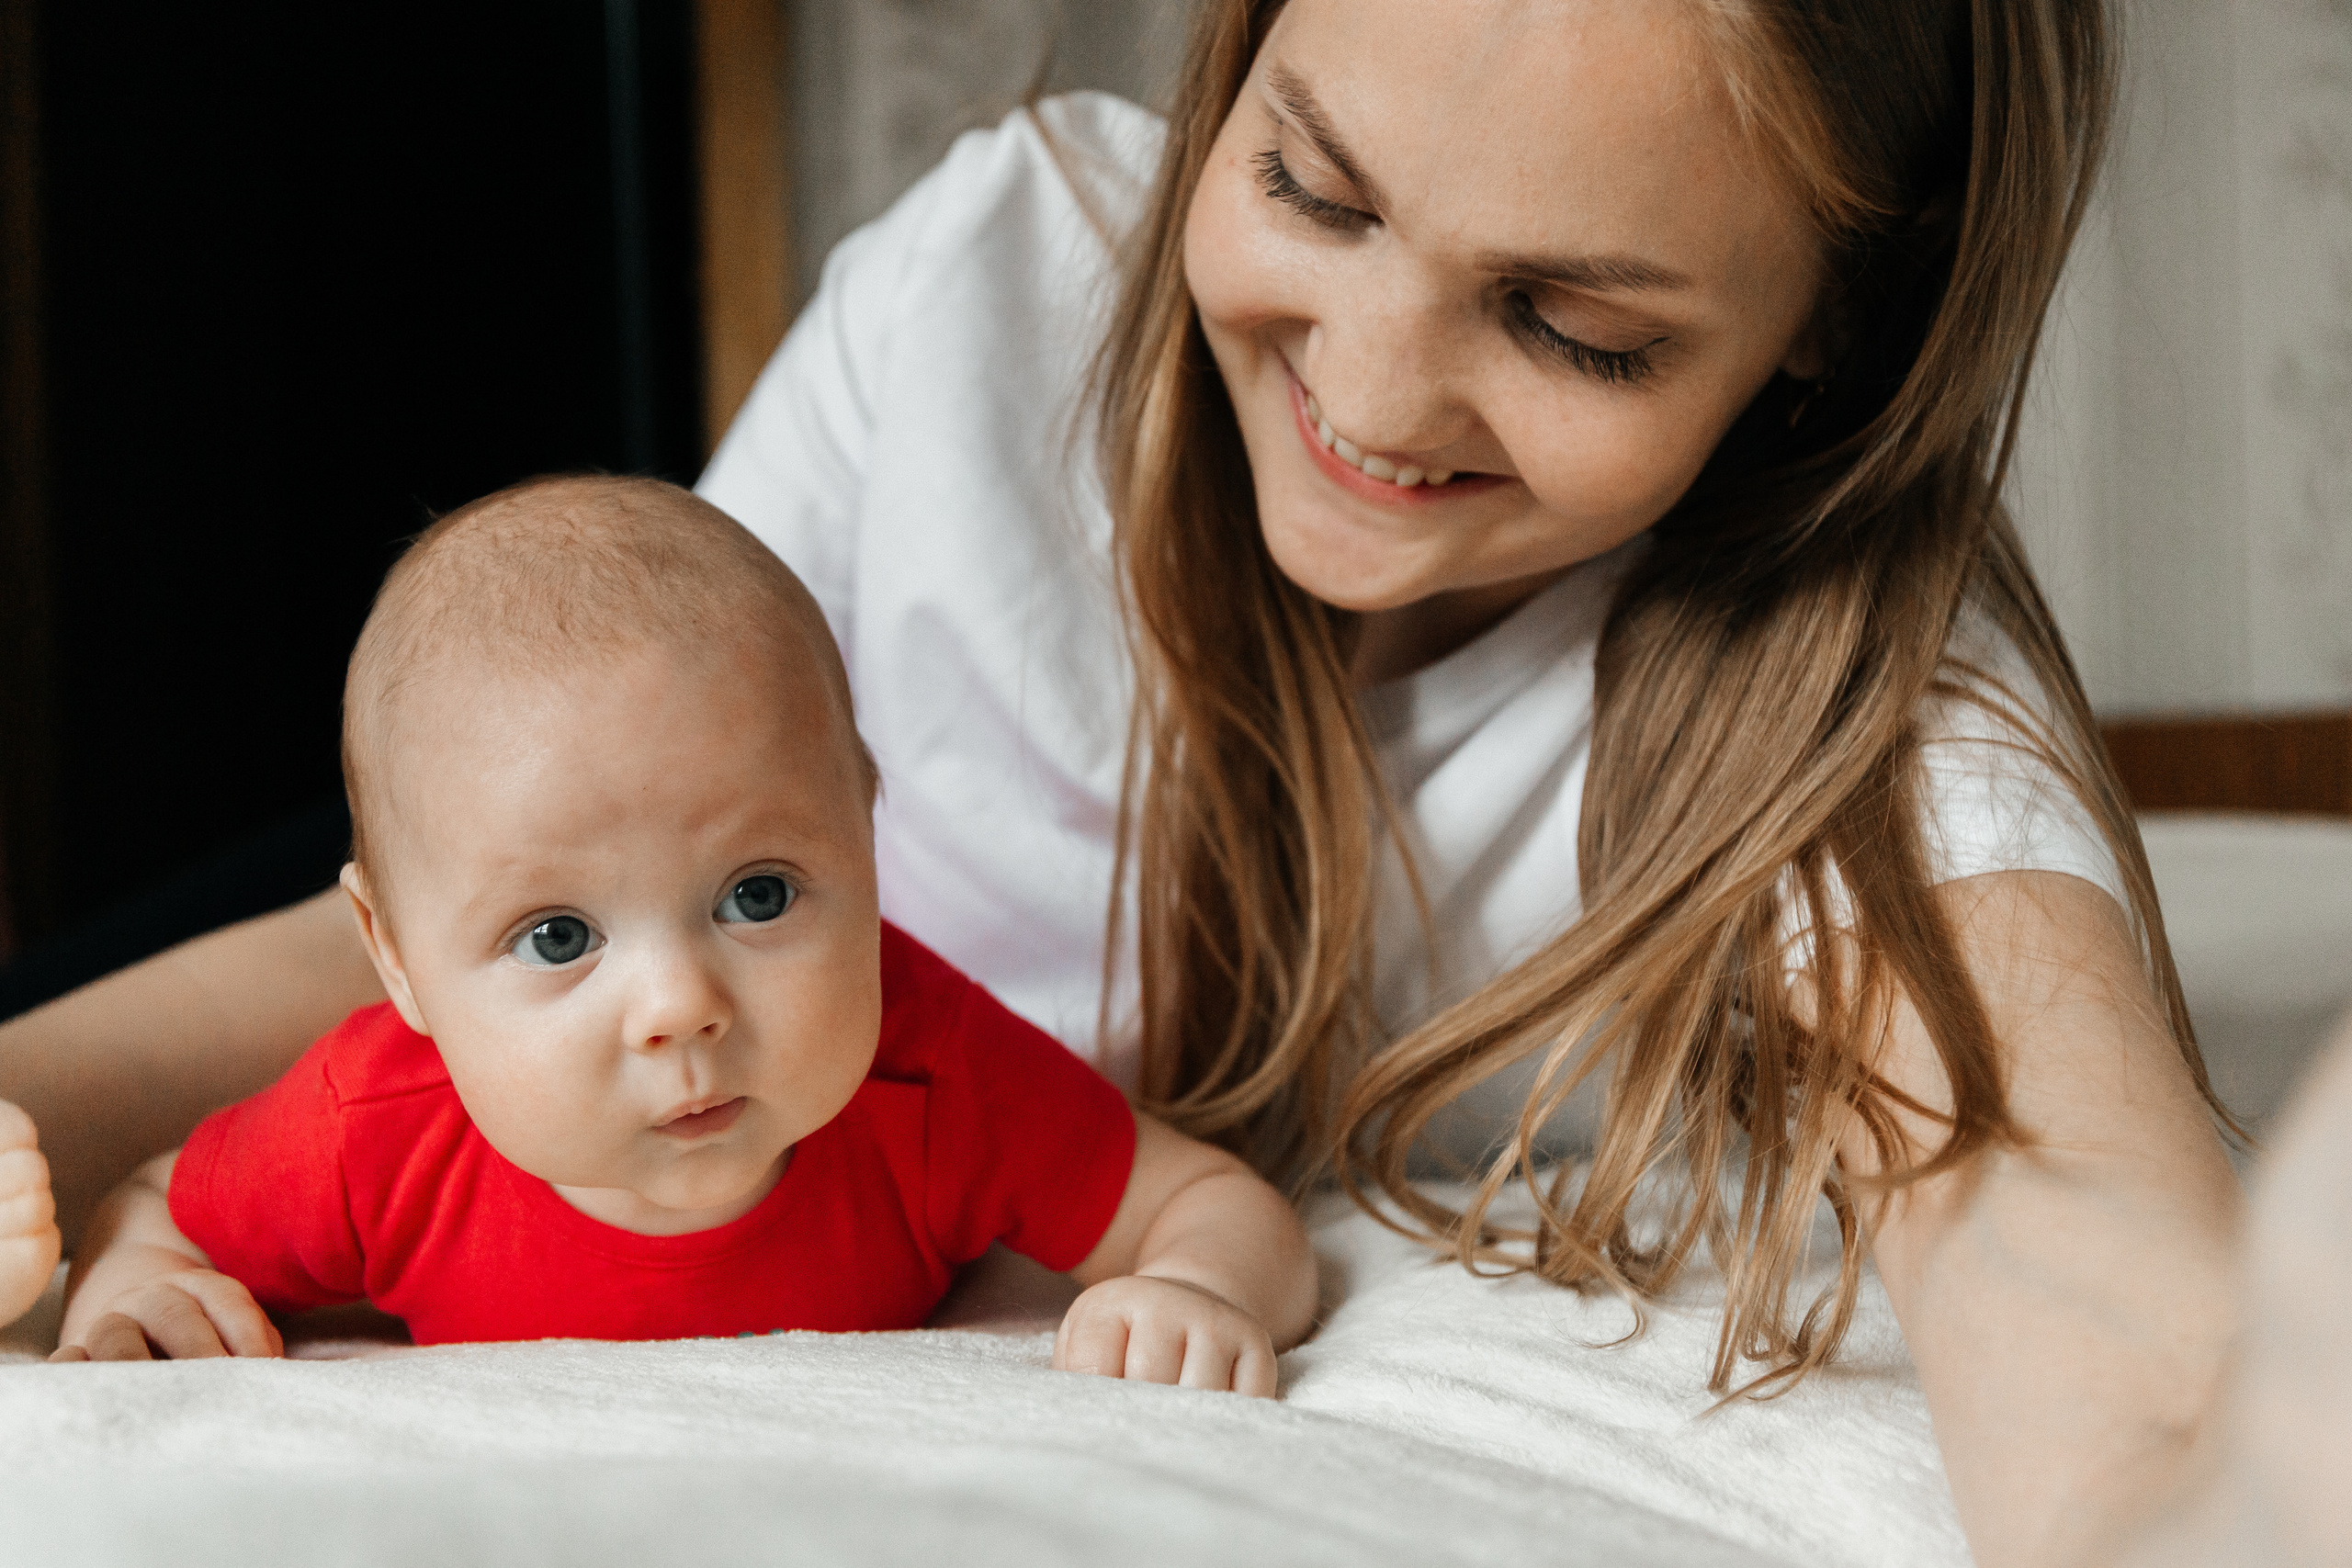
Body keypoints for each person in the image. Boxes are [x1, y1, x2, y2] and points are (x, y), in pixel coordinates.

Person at [0, 1, 2249, 1562]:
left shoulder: (1870, 731)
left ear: (1833, 329)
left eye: (1576, 328)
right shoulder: (1003, 280)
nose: (1365, 396)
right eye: (1307, 185)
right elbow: (470, 918)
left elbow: (2098, 1291)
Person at [39, 477, 1314, 1392]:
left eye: (758, 895)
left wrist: (1197, 1288)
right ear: (394, 958)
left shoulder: (930, 1074)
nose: (678, 1006)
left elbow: (1208, 1199)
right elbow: (161, 1202)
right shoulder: (373, 1130)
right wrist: (136, 1279)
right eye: (556, 937)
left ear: (866, 844)